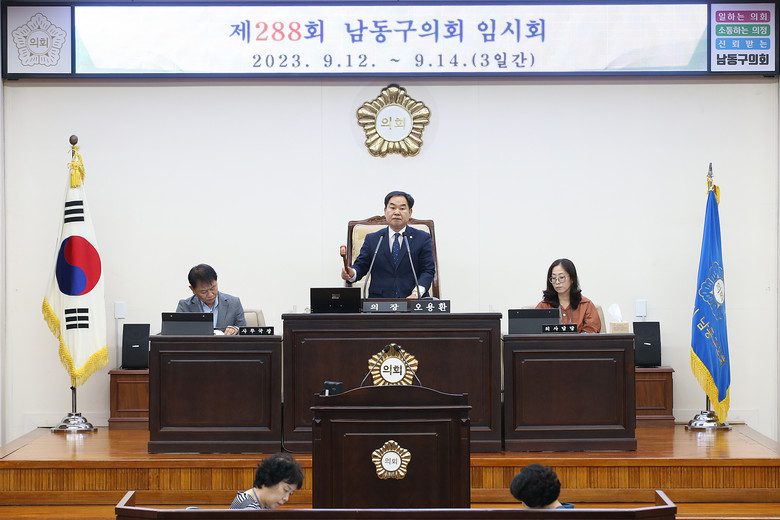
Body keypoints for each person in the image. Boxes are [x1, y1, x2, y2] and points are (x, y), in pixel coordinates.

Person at [341, 191, 435, 299]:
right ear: (385, 210)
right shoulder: (373, 239)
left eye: (402, 208)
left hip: (412, 300)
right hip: (379, 302)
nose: (397, 212)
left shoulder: (422, 238)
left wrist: (416, 294)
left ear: (410, 212)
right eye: (392, 208)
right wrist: (352, 273)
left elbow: (428, 271)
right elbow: (361, 266)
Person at [176, 263, 246, 334]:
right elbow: (178, 334)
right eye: (204, 291)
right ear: (193, 289)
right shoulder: (185, 307)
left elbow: (244, 332)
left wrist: (236, 329)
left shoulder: (234, 303)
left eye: (213, 288)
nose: (210, 295)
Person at [536, 258, 601, 333]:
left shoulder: (586, 305)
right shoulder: (543, 306)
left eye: (561, 277)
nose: (557, 282)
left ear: (572, 279)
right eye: (553, 278)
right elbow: (535, 332)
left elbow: (591, 334)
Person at [230, 453, 304, 509]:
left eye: (290, 493)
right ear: (269, 479)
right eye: (286, 490)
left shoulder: (259, 504)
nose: (286, 498)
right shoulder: (249, 509)